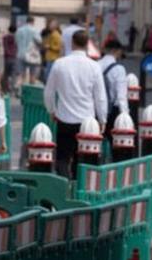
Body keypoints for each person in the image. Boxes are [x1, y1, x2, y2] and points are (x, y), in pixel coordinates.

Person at [43, 30, 107, 178]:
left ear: (72, 43)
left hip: (65, 118)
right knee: (83, 160)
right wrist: (102, 119)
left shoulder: (59, 64)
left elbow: (48, 92)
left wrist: (51, 110)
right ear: (87, 44)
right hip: (87, 121)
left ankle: (65, 185)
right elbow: (100, 97)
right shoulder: (94, 66)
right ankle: (79, 186)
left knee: (62, 158)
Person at [98, 39, 130, 139]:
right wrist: (125, 116)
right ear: (117, 51)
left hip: (95, 109)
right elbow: (121, 97)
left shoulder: (95, 65)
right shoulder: (119, 69)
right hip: (112, 112)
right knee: (114, 142)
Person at [15, 18, 42, 86]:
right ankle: (30, 90)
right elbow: (39, 41)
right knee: (32, 75)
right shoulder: (34, 30)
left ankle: (18, 89)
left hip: (20, 55)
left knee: (20, 75)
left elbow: (16, 42)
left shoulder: (19, 30)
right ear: (32, 22)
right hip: (31, 56)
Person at [41, 18, 63, 83]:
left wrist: (49, 47)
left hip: (53, 58)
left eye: (51, 25)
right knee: (47, 75)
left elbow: (58, 47)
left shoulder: (56, 35)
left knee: (48, 76)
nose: (49, 26)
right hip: (50, 57)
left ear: (55, 26)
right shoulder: (52, 34)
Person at [1, 23, 18, 93]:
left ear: (9, 30)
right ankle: (12, 89)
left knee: (6, 74)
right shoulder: (16, 38)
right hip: (14, 57)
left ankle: (5, 89)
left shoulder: (5, 38)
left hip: (7, 58)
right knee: (13, 74)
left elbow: (5, 47)